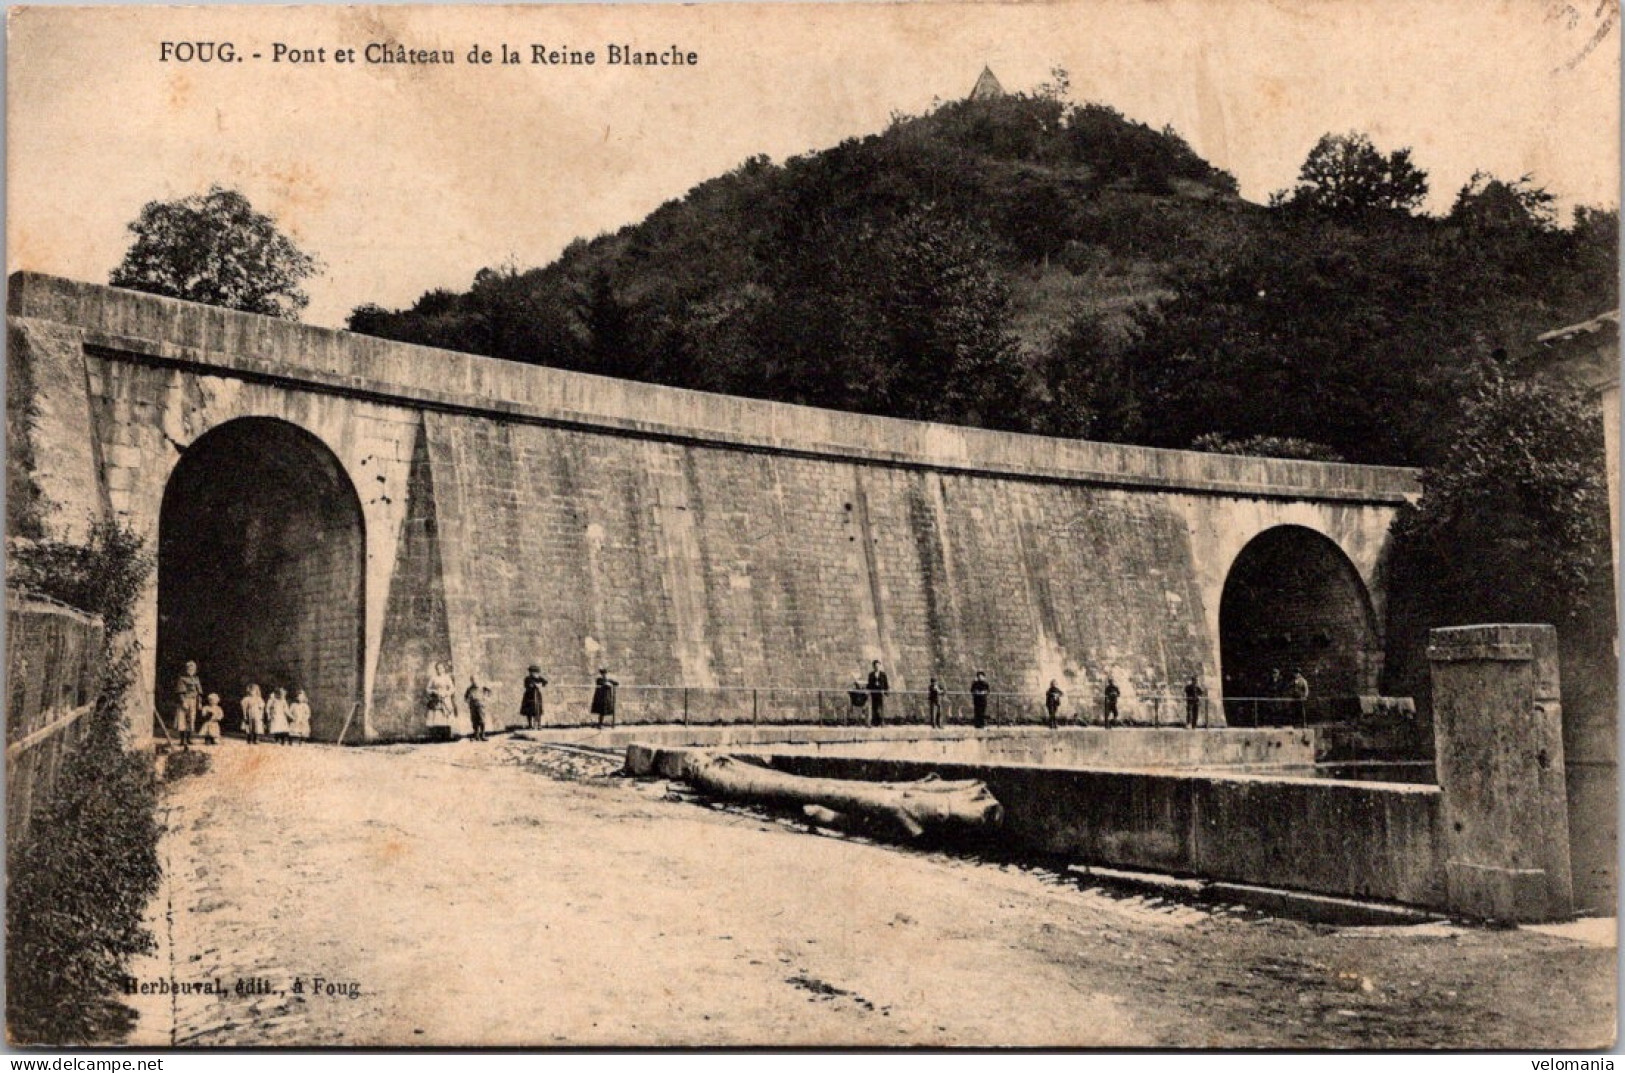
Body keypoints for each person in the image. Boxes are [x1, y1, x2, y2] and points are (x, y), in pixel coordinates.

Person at [426, 660, 457, 741]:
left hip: (445, 699)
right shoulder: (433, 678)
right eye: (438, 668)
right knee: (437, 717)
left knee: (446, 716)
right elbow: (428, 689)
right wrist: (434, 692)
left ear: (443, 669)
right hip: (436, 699)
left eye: (441, 668)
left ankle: (447, 736)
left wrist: (446, 693)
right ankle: (438, 737)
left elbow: (452, 688)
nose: (439, 670)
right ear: (436, 669)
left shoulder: (447, 677)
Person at [175, 660, 203, 748]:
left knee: (191, 719)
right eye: (189, 668)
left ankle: (188, 738)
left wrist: (200, 703)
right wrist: (183, 702)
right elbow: (180, 692)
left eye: (193, 668)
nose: (191, 670)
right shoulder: (182, 678)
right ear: (186, 669)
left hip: (193, 700)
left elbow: (199, 692)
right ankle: (182, 740)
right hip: (185, 700)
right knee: (182, 719)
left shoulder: (196, 679)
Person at [521, 665, 548, 730]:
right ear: (530, 672)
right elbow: (527, 685)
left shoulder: (539, 678)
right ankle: (530, 725)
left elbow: (545, 682)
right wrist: (533, 685)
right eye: (533, 672)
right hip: (529, 696)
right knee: (529, 711)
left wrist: (541, 684)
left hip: (537, 695)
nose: (535, 674)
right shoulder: (527, 678)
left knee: (538, 709)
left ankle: (539, 724)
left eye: (536, 672)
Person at [866, 660, 890, 727]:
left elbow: (886, 683)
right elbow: (869, 684)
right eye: (875, 666)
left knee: (881, 707)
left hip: (880, 692)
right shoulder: (871, 674)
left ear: (879, 666)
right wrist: (868, 690)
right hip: (874, 693)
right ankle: (875, 722)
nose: (877, 667)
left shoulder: (883, 674)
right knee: (874, 707)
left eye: (878, 666)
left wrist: (886, 692)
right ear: (873, 667)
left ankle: (882, 722)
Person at [465, 678, 489, 742]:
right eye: (472, 680)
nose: (474, 681)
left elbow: (489, 693)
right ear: (471, 681)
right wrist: (469, 702)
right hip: (473, 706)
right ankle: (476, 735)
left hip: (481, 705)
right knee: (474, 721)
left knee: (482, 720)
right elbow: (466, 698)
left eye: (475, 679)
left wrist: (485, 698)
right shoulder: (469, 689)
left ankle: (483, 735)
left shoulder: (483, 687)